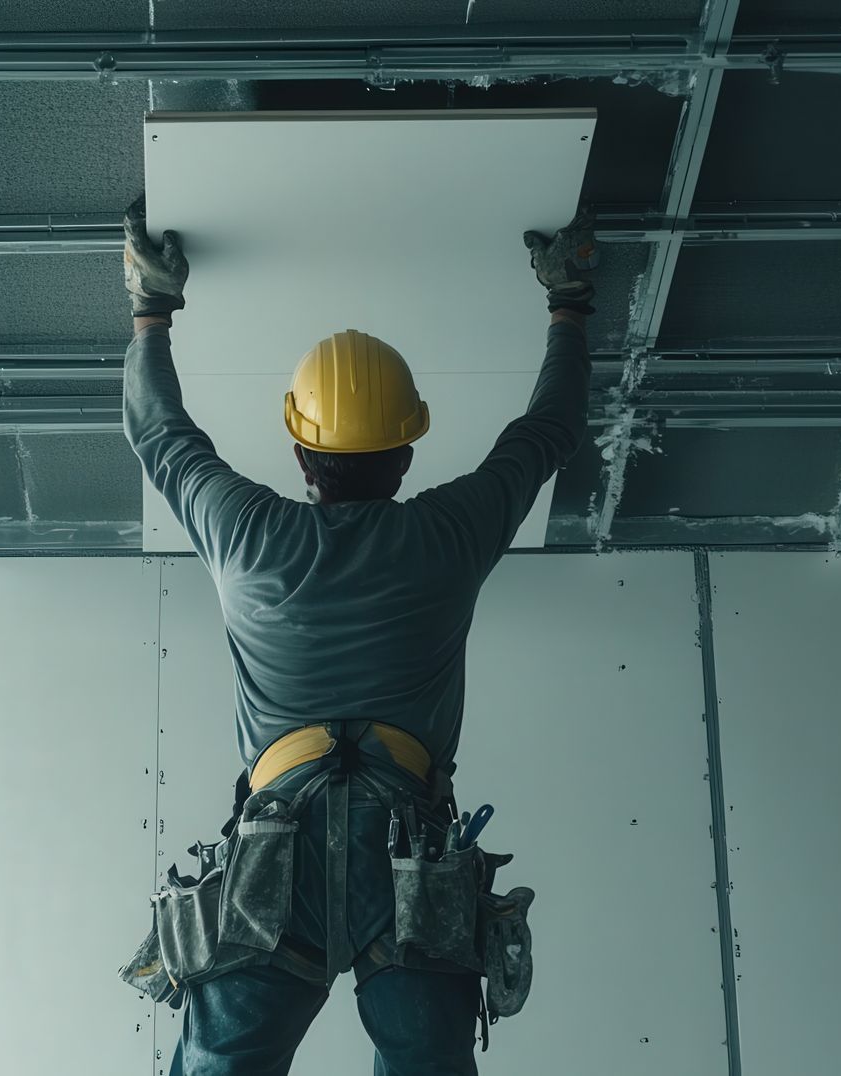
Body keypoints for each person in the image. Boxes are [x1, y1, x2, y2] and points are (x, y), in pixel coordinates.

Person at [120, 195, 596, 1076]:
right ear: (407, 450)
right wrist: (568, 305)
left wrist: (153, 308)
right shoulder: (449, 533)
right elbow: (547, 432)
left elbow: (160, 434)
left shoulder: (247, 533)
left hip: (274, 860)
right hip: (406, 856)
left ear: (301, 453)